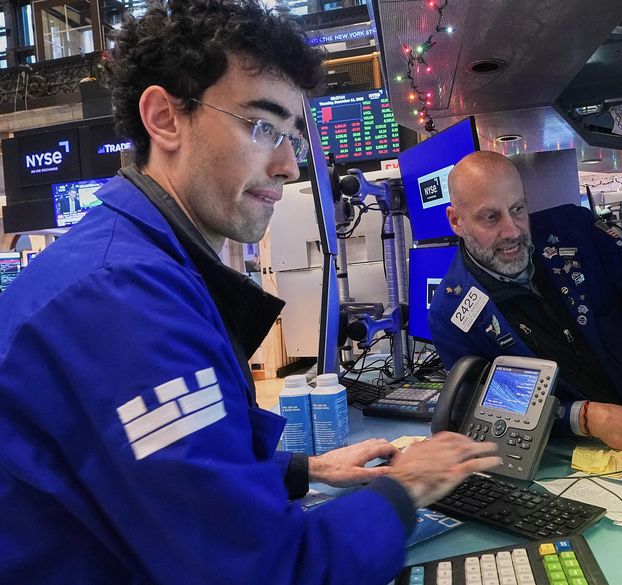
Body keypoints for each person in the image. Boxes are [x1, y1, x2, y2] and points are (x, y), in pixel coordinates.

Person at [0, 3, 500, 584]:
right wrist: (404, 490)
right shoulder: (120, 299)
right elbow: (264, 572)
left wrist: (303, 470)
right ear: (165, 118)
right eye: (263, 126)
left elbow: (154, 476)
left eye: (292, 136)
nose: (289, 165)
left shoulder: (140, 264)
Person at [428, 151, 622, 473]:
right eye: (490, 218)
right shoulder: (452, 313)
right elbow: (485, 405)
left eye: (518, 209)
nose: (512, 231)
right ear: (456, 221)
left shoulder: (574, 230)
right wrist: (587, 417)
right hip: (586, 469)